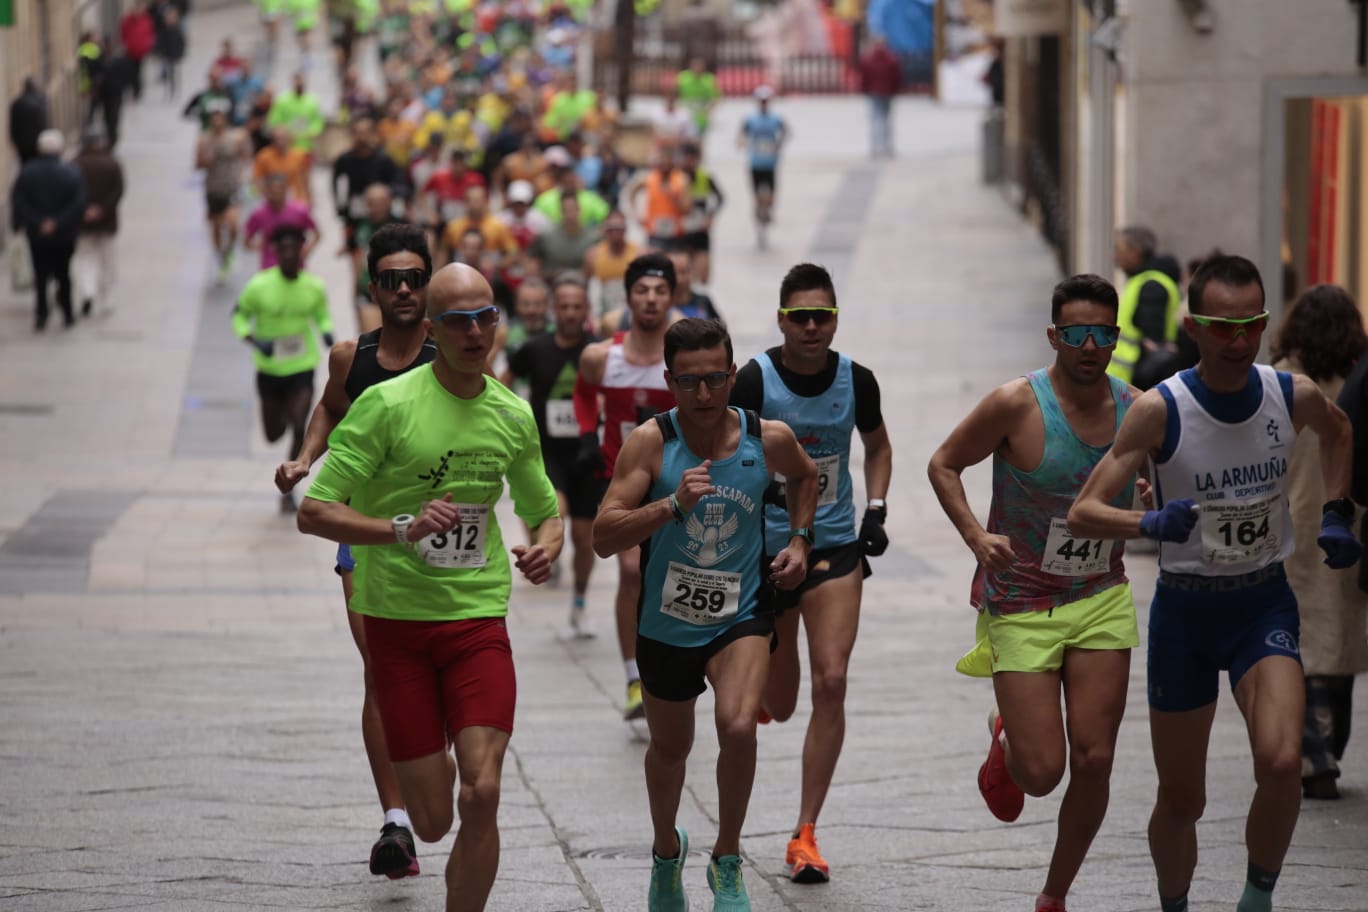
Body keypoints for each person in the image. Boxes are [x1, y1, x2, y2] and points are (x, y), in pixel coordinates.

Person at [1067, 255, 1362, 912]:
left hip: (1263, 604)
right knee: (1183, 799)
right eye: (1222, 327)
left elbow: (1341, 431)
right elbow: (1084, 510)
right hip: (1186, 616)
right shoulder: (1159, 410)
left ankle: (1257, 897)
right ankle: (1175, 903)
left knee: (1284, 761)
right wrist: (1151, 520)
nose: (1238, 341)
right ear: (1193, 328)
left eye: (1251, 325)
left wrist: (1338, 511)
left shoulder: (1292, 394)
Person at [296, 262, 563, 912]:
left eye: (485, 317)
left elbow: (544, 510)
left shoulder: (511, 414)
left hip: (476, 621)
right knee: (437, 819)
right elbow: (315, 510)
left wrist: (546, 548)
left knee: (484, 792)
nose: (475, 332)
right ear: (433, 331)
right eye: (458, 321)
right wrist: (401, 528)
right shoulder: (385, 406)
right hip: (396, 625)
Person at [592, 317, 818, 912]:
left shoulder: (765, 438)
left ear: (732, 374)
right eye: (689, 382)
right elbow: (603, 535)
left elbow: (806, 476)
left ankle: (726, 858)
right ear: (669, 381)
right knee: (670, 750)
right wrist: (670, 505)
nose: (704, 394)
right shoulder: (650, 442)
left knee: (740, 726)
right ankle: (667, 851)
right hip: (666, 624)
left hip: (739, 615)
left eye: (716, 379)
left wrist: (798, 541)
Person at [927, 274, 1137, 912]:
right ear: (1054, 335)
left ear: (1116, 337)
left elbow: (1175, 473)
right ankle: (1009, 735)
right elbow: (943, 463)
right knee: (1043, 773)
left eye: (1102, 333)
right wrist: (975, 538)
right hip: (1021, 601)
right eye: (1076, 333)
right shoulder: (1016, 403)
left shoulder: (1140, 409)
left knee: (1095, 758)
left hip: (1101, 595)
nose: (1089, 345)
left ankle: (1054, 894)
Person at [275, 223, 436, 881]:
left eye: (414, 278)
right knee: (381, 666)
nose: (402, 289)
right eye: (390, 279)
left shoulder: (455, 353)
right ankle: (394, 819)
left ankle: (430, 763)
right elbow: (327, 409)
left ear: (429, 284)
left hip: (440, 540)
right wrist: (306, 460)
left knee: (433, 669)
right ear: (372, 287)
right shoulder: (352, 357)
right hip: (364, 533)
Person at [729, 262, 891, 885]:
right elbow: (727, 450)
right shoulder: (754, 379)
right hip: (764, 555)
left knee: (832, 681)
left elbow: (878, 446)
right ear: (781, 320)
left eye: (823, 315)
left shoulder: (857, 380)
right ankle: (774, 677)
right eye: (800, 316)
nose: (812, 326)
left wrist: (875, 508)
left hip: (832, 547)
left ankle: (805, 832)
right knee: (783, 700)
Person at [1268, 285, 1368, 800]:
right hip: (1345, 521)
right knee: (1340, 643)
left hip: (1294, 518)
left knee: (1303, 642)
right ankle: (1329, 749)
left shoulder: (1280, 380)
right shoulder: (1357, 379)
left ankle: (1314, 753)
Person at [575, 254, 680, 720]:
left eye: (660, 291)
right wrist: (586, 436)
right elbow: (580, 393)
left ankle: (675, 665)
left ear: (672, 297)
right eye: (642, 291)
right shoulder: (602, 358)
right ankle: (634, 677)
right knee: (632, 575)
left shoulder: (683, 360)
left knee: (673, 579)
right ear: (628, 297)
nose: (651, 299)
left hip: (677, 487)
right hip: (623, 485)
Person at [506, 274, 602, 635]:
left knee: (583, 537)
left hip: (586, 454)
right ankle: (548, 549)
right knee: (555, 510)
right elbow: (502, 383)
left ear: (586, 309)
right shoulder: (535, 349)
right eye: (563, 306)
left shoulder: (596, 351)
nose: (570, 313)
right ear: (553, 309)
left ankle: (579, 601)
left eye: (577, 306)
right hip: (545, 451)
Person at [232, 225, 334, 512]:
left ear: (302, 251)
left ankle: (290, 488)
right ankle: (287, 415)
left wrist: (327, 331)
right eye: (283, 249)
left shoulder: (314, 286)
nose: (289, 254)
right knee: (273, 433)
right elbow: (239, 316)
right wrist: (253, 340)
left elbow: (322, 315)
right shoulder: (259, 286)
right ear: (275, 252)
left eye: (294, 248)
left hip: (302, 365)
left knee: (301, 423)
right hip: (270, 369)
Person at [10, 129, 87, 331]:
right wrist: (58, 223)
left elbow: (19, 202)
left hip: (37, 235)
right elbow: (79, 203)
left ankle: (41, 315)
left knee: (41, 275)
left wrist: (38, 222)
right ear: (60, 149)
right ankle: (68, 313)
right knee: (64, 274)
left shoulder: (27, 172)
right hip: (64, 235)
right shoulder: (71, 172)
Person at [1109, 226, 1181, 388]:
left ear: (1135, 253)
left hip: (1137, 386)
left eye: (1118, 250)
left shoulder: (1151, 285)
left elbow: (1154, 345)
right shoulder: (1139, 281)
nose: (1115, 257)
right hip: (1126, 384)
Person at [72, 126, 125, 317]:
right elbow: (118, 190)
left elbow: (72, 192)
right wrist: (102, 209)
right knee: (108, 261)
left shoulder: (75, 163)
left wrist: (86, 209)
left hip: (83, 221)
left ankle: (88, 292)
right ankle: (108, 299)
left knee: (85, 258)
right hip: (107, 221)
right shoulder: (111, 163)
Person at [197, 108, 253, 280]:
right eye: (214, 120)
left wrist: (241, 173)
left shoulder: (235, 138)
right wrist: (207, 161)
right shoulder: (204, 140)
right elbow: (197, 164)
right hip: (213, 188)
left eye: (220, 119)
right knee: (216, 226)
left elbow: (246, 155)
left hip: (231, 188)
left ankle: (229, 250)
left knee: (233, 224)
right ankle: (220, 255)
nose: (217, 123)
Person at [738, 86, 787, 250]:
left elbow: (786, 131)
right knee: (757, 196)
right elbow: (741, 134)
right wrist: (742, 142)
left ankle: (768, 211)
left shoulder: (776, 119)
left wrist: (779, 143)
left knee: (771, 195)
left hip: (770, 163)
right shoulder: (751, 119)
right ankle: (759, 223)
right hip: (755, 163)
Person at [244, 173, 319, 271]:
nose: (276, 194)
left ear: (286, 189)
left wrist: (306, 250)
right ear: (266, 191)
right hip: (270, 269)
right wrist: (264, 248)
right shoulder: (259, 214)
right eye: (272, 191)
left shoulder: (300, 211)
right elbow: (247, 242)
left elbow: (317, 234)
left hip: (296, 268)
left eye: (279, 189)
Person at [677, 142, 723, 286]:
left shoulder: (705, 177)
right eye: (686, 157)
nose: (689, 161)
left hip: (700, 231)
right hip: (680, 232)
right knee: (683, 272)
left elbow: (720, 198)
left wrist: (710, 216)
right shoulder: (674, 178)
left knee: (703, 277)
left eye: (692, 158)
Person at [528, 192, 599, 277]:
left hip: (583, 282)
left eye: (573, 209)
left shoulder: (594, 237)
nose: (570, 213)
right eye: (566, 209)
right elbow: (533, 260)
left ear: (579, 209)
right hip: (551, 281)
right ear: (561, 211)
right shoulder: (546, 235)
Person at [582, 208, 638, 317]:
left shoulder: (638, 253)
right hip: (602, 308)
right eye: (611, 228)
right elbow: (585, 285)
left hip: (630, 308)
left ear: (625, 229)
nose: (615, 232)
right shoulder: (593, 255)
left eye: (619, 228)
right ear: (605, 230)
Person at [857, 34, 901, 159]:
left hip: (873, 93)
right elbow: (896, 77)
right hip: (887, 93)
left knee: (874, 119)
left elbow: (864, 77)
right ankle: (888, 146)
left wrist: (864, 89)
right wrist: (895, 90)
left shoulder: (867, 59)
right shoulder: (892, 58)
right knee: (886, 120)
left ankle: (875, 147)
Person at [120, 2, 157, 102]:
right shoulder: (128, 20)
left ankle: (137, 90)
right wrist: (126, 43)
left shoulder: (146, 20)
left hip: (141, 51)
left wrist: (148, 45)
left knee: (138, 72)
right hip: (130, 50)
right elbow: (123, 32)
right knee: (131, 71)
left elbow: (150, 33)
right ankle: (133, 89)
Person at [675, 57, 721, 138]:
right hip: (685, 115)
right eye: (695, 66)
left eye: (700, 66)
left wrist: (709, 111)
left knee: (699, 140)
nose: (697, 68)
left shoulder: (709, 79)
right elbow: (674, 93)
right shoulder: (683, 77)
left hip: (701, 116)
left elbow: (716, 98)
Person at [9, 77, 48, 165]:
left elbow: (13, 126)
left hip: (21, 145)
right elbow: (41, 125)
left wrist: (16, 142)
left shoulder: (16, 103)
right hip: (35, 145)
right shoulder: (37, 102)